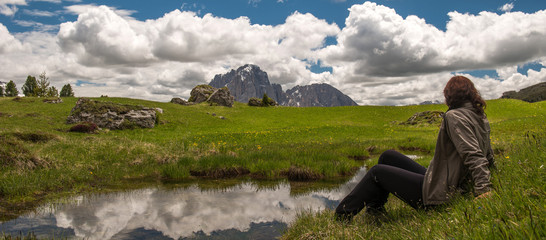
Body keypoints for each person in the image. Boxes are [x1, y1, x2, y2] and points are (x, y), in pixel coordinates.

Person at [335, 76, 495, 221]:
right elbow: (488, 154)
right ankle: (375, 211)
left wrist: (484, 190)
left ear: (449, 96)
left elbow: (473, 154)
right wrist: (493, 176)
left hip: (440, 194)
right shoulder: (479, 116)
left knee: (377, 172)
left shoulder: (454, 116)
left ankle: (341, 217)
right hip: (443, 180)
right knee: (388, 156)